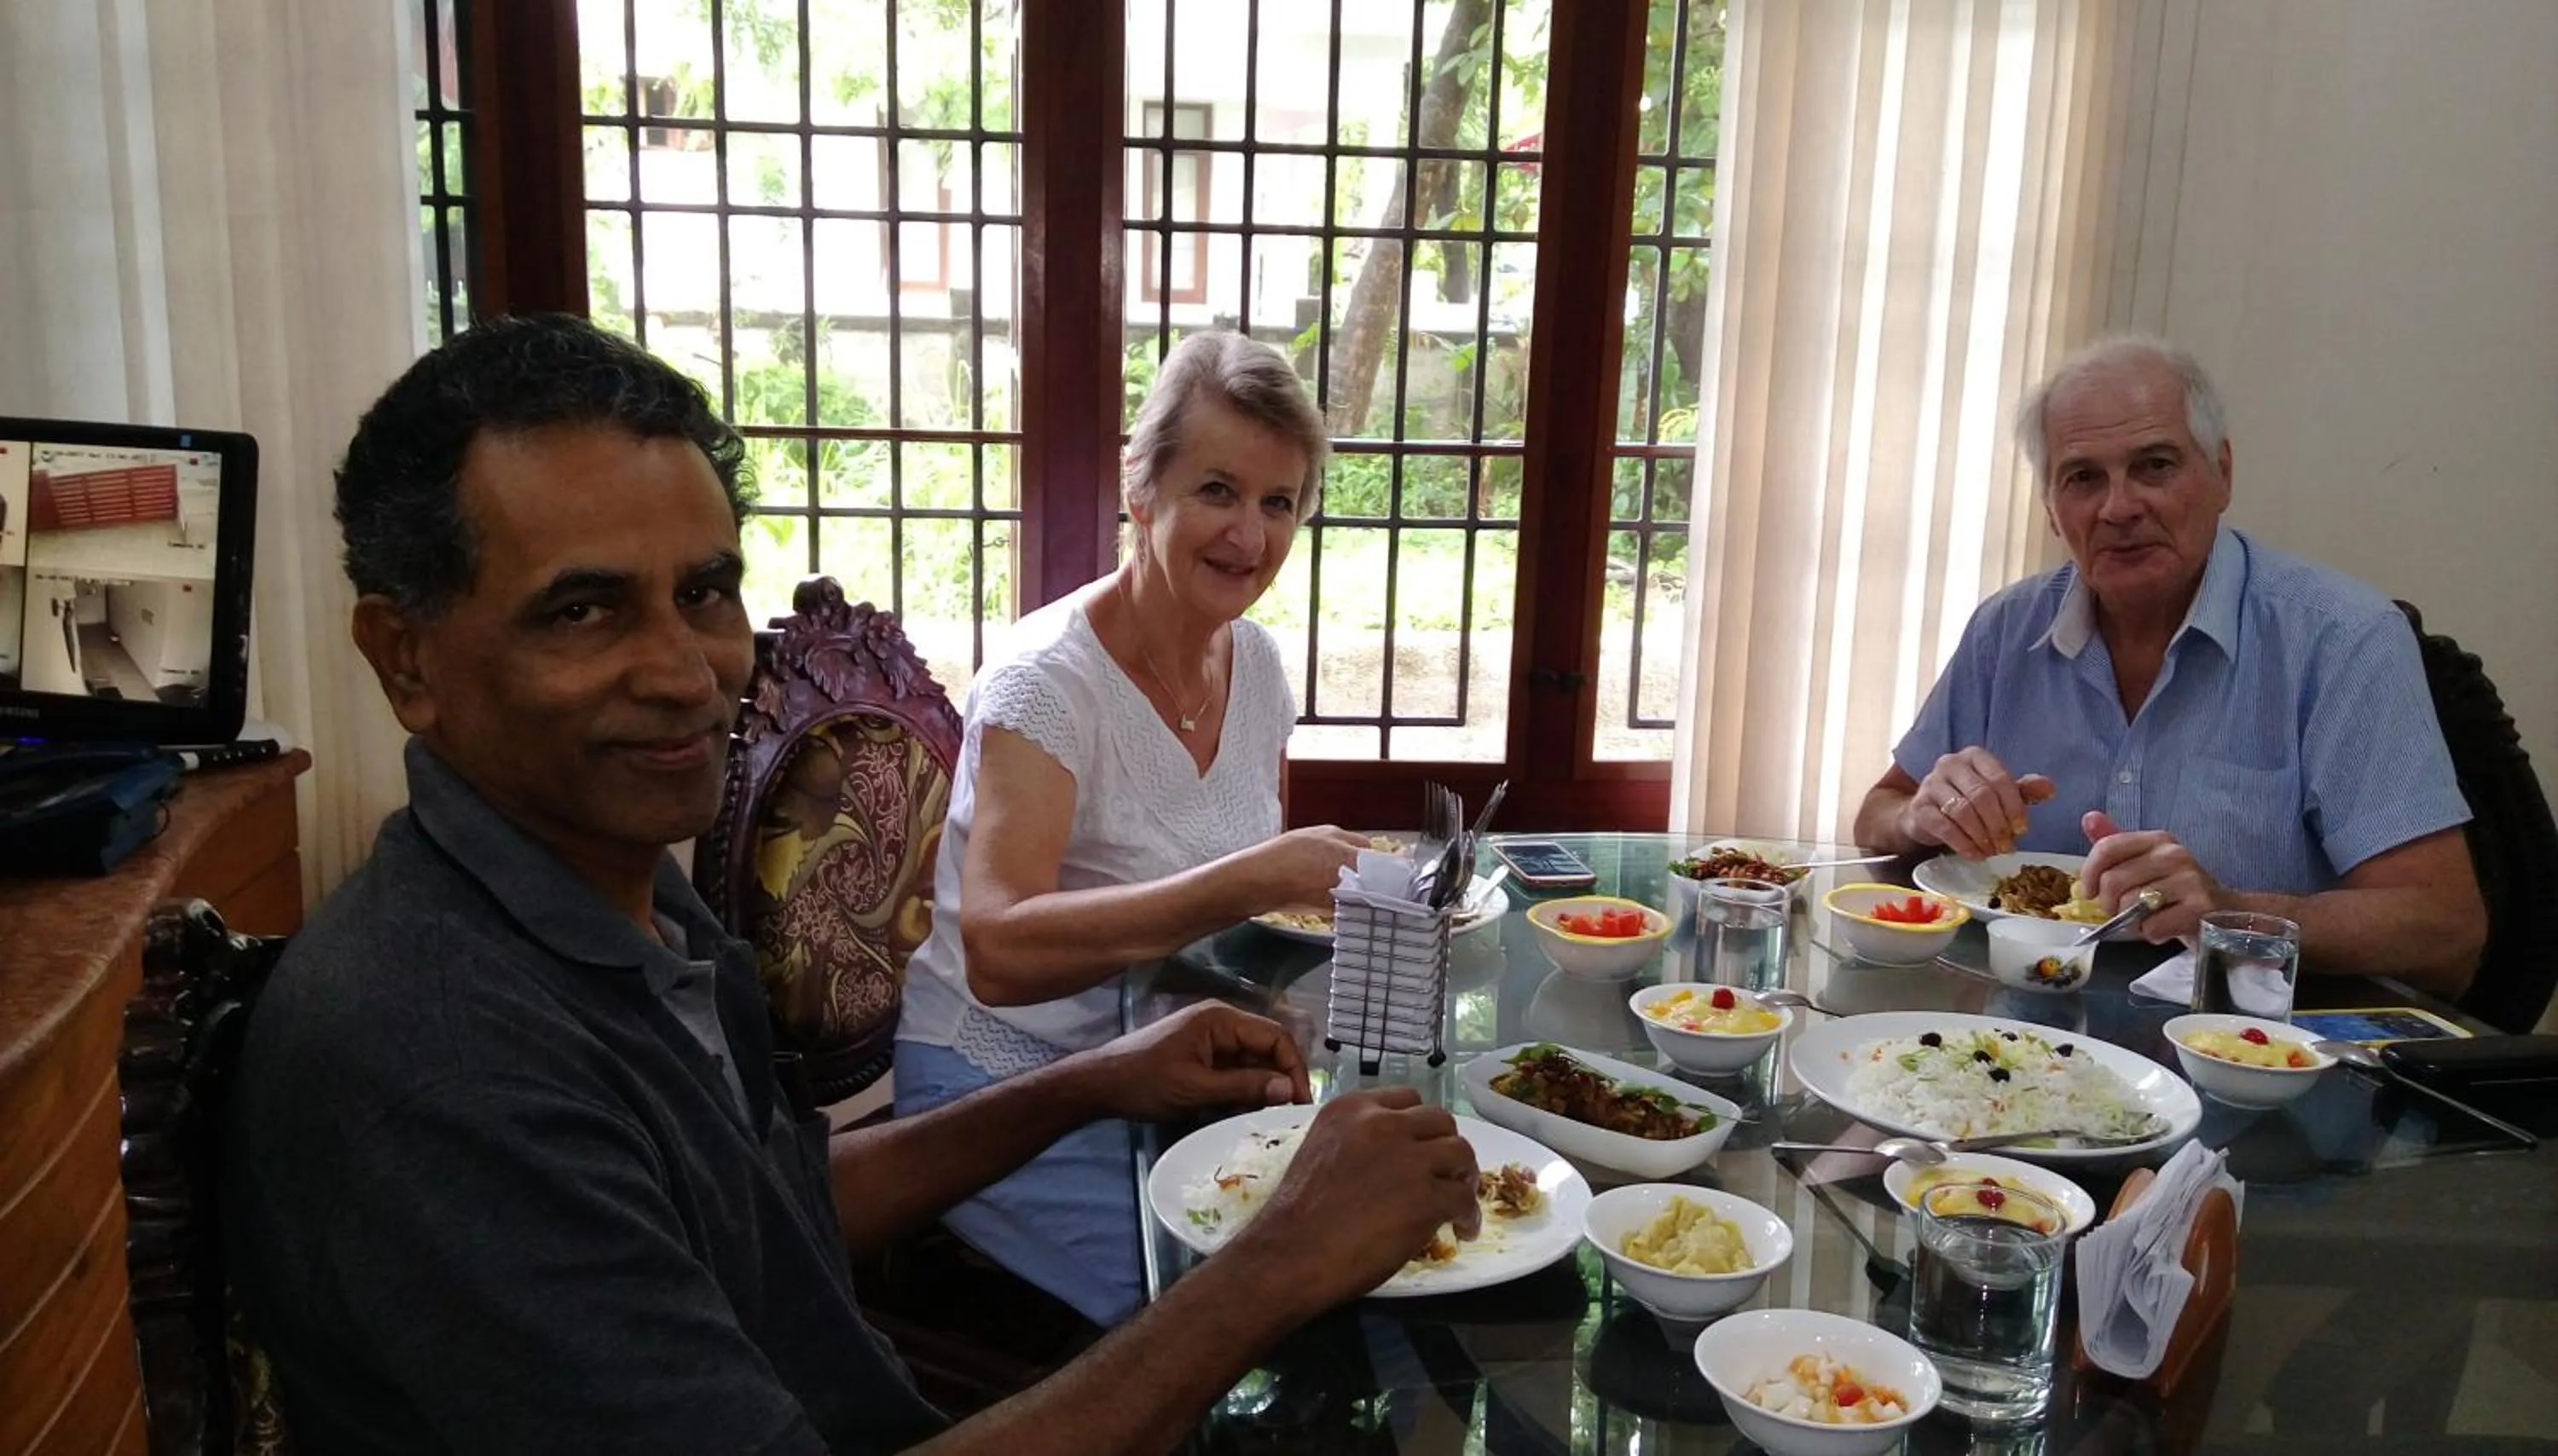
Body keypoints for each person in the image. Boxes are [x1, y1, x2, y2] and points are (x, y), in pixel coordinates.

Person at [223, 315, 1486, 1456]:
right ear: (407, 660)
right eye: (582, 612)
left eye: (705, 593)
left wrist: (1100, 1080)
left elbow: (774, 1208)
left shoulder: (641, 917)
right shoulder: (443, 1069)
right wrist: (1272, 1268)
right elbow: (997, 950)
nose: (681, 671)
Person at [894, 330, 1369, 1326]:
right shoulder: (1046, 685)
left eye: (1279, 502)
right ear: (1140, 490)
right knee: (1237, 1317)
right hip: (1006, 1092)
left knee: (1379, 1248)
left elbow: (1233, 930)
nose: (1249, 534)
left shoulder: (1259, 668)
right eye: (1217, 490)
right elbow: (998, 950)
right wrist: (1251, 879)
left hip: (1168, 1067)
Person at [1853, 336, 2485, 996]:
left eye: (2154, 466)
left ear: (2223, 475)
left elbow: (2445, 929)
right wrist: (1922, 817)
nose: (2119, 507)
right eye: (2082, 478)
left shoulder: (2343, 640)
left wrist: (2230, 913)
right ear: (2049, 508)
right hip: (2032, 1019)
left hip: (2252, 1046)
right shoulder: (2006, 630)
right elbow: (1879, 814)